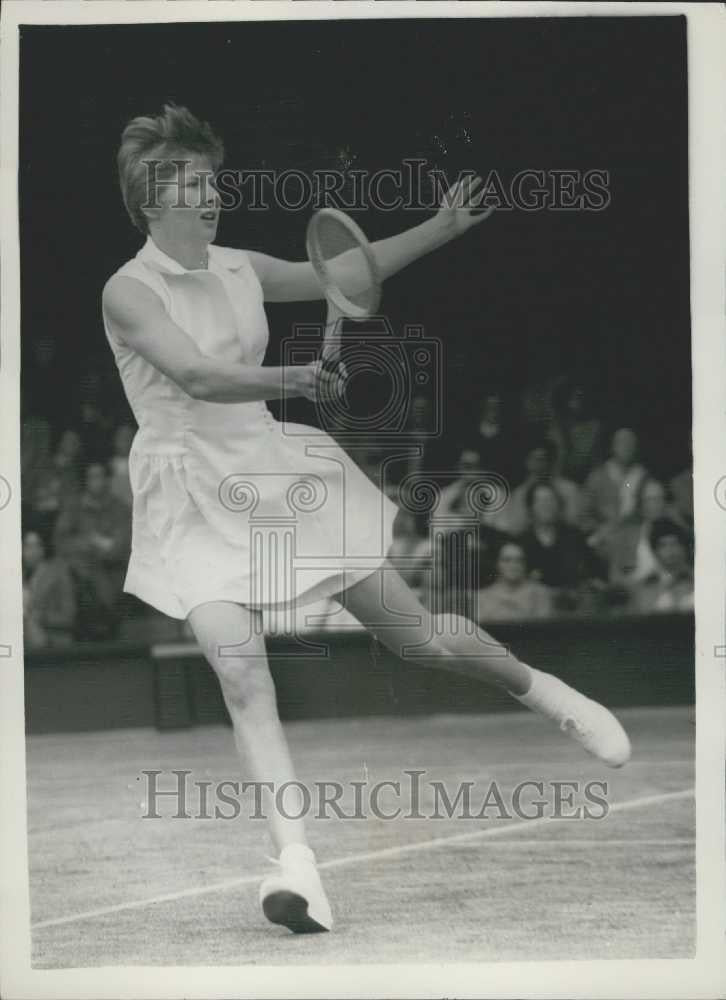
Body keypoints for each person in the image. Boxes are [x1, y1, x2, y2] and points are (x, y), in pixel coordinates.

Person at [102, 104, 630, 935]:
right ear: (151, 196)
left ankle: (548, 694)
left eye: (213, 180)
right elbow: (198, 378)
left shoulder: (239, 266)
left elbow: (340, 270)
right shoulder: (127, 291)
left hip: (275, 474)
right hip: (191, 497)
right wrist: (301, 381)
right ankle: (296, 867)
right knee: (241, 673)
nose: (213, 194)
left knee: (417, 637)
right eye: (195, 183)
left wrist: (442, 226)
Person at [53, 461, 131, 637]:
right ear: (86, 480)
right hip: (81, 574)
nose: (96, 481)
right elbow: (60, 541)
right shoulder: (74, 507)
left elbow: (120, 548)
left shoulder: (121, 508)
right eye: (91, 476)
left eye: (100, 476)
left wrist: (97, 548)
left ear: (107, 480)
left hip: (114, 572)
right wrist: (90, 542)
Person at [519, 481, 605, 612]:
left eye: (550, 500)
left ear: (558, 505)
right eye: (540, 501)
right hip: (534, 606)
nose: (546, 505)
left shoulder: (574, 537)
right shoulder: (522, 541)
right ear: (531, 507)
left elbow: (595, 572)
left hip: (573, 606)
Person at [580, 427, 649, 547]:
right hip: (604, 539)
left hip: (636, 536)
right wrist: (600, 528)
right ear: (613, 446)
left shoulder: (643, 477)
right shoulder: (596, 477)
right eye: (622, 443)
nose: (626, 447)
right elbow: (584, 515)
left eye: (630, 443)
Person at [502, 440, 581, 535]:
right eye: (533, 459)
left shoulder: (569, 489)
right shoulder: (519, 494)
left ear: (550, 461)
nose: (538, 465)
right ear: (526, 462)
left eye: (542, 459)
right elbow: (515, 528)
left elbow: (575, 522)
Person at [22, 529, 76, 648]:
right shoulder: (17, 576)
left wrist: (41, 617)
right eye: (27, 546)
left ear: (43, 548)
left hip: (52, 639)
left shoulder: (58, 573)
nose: (31, 551)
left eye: (36, 545)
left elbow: (68, 616)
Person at [474, 540, 553, 622]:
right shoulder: (482, 597)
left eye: (519, 561)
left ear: (525, 564)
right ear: (496, 564)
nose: (513, 566)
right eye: (507, 560)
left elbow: (543, 631)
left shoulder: (541, 594)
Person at [630, 518, 694, 614]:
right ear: (655, 552)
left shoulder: (698, 579)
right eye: (663, 545)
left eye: (675, 544)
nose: (670, 550)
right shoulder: (646, 585)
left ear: (683, 548)